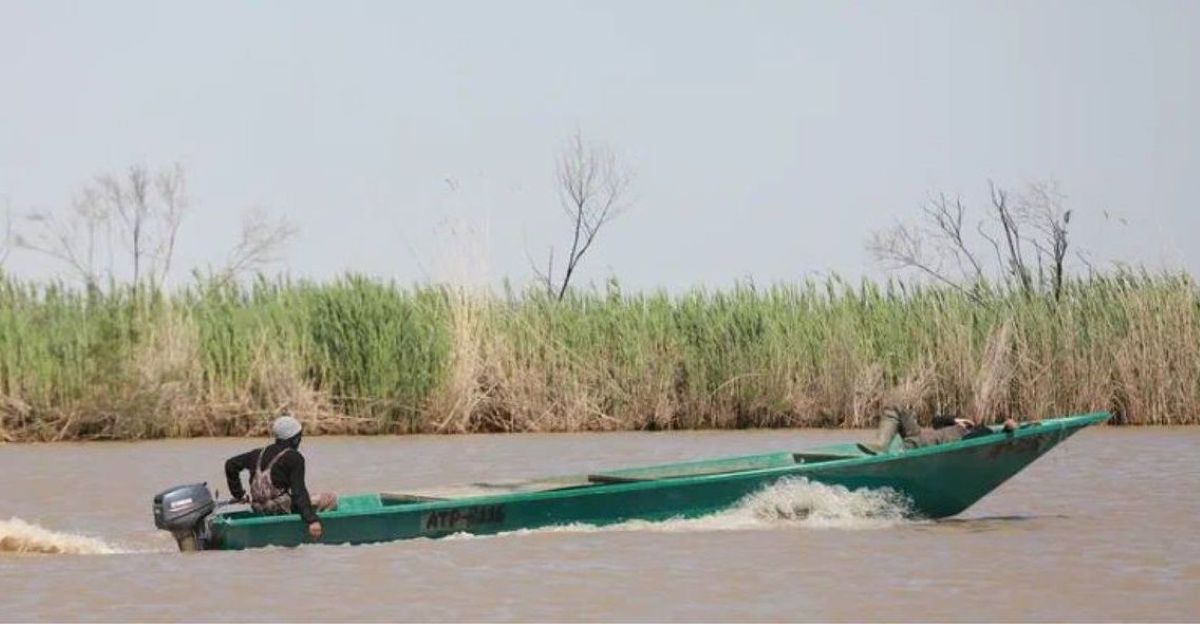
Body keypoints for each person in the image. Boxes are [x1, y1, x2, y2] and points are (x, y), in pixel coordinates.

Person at [225, 414, 338, 540]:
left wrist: (239, 495)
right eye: (300, 437)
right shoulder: (294, 457)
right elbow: (299, 492)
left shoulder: (257, 453)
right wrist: (312, 520)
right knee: (330, 498)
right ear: (295, 439)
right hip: (282, 509)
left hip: (259, 509)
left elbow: (230, 464)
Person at [857, 406, 1018, 455]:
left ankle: (881, 447)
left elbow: (990, 438)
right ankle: (880, 445)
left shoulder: (979, 434)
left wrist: (1007, 427)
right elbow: (935, 421)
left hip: (923, 445)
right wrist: (955, 420)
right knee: (895, 408)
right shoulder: (961, 425)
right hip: (917, 434)